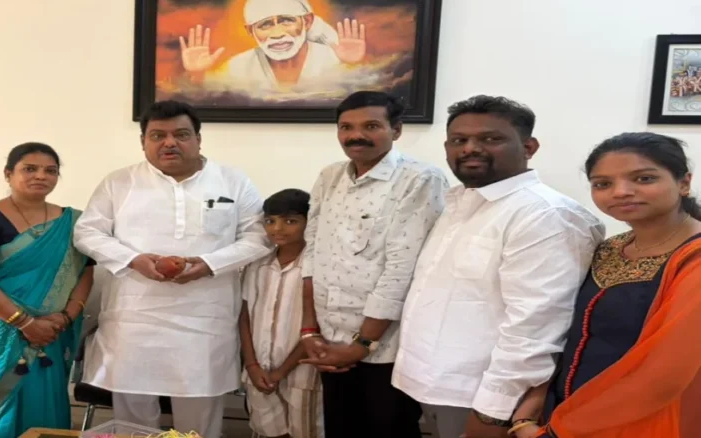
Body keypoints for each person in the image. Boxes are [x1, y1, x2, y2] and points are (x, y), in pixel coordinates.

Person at [392, 95, 605, 438]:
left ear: (529, 147)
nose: (470, 148)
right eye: (459, 140)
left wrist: (493, 411)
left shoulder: (545, 215)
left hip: (481, 398)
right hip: (432, 384)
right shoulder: (459, 203)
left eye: (490, 138)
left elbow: (536, 326)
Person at [74, 100, 272, 438]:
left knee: (199, 419)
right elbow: (87, 232)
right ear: (143, 142)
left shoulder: (232, 181)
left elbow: (259, 237)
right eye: (158, 135)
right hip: (134, 318)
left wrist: (209, 264)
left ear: (198, 139)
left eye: (181, 134)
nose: (169, 143)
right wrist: (134, 259)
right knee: (133, 418)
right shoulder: (119, 182)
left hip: (205, 319)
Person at [507, 133, 701, 438]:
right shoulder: (611, 248)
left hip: (640, 422)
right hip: (562, 412)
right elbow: (568, 331)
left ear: (684, 183)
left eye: (644, 178)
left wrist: (557, 432)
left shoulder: (694, 259)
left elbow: (663, 376)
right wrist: (536, 398)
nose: (621, 192)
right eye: (603, 184)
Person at [294, 91, 448, 437]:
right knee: (341, 429)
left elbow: (402, 270)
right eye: (346, 127)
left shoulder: (420, 179)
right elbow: (312, 254)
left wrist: (361, 345)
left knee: (387, 429)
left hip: (386, 346)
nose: (356, 136)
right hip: (330, 338)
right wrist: (309, 330)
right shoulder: (330, 176)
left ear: (397, 130)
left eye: (371, 126)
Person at [0, 143, 95, 437]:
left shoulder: (74, 222)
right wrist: (26, 323)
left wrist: (66, 317)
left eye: (50, 171)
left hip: (52, 332)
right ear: (8, 173)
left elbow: (86, 272)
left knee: (45, 406)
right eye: (29, 169)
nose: (41, 176)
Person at [239, 188, 323, 438]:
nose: (277, 229)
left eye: (290, 221)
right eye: (270, 221)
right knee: (267, 432)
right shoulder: (256, 264)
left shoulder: (318, 265)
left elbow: (319, 324)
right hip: (259, 371)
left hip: (302, 374)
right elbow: (244, 316)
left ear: (309, 222)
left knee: (305, 432)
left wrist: (282, 371)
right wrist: (251, 364)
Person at [179, 0, 367, 94]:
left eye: (286, 21)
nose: (277, 33)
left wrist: (352, 65)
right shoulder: (237, 67)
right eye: (265, 24)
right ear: (250, 31)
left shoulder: (333, 60)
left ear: (307, 21)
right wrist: (197, 74)